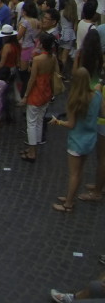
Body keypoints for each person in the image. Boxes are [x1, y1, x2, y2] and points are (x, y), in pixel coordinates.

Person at [50, 67, 102, 213]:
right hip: (89, 139)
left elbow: (71, 124)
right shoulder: (97, 96)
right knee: (79, 172)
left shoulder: (74, 101)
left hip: (76, 140)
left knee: (74, 173)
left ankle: (68, 203)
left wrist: (58, 122)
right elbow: (98, 87)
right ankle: (69, 196)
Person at [20, 33, 58, 162]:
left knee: (31, 123)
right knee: (39, 121)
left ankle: (32, 152)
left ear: (41, 44)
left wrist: (25, 95)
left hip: (36, 93)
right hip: (46, 92)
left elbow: (32, 79)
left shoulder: (37, 60)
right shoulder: (52, 58)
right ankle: (33, 149)